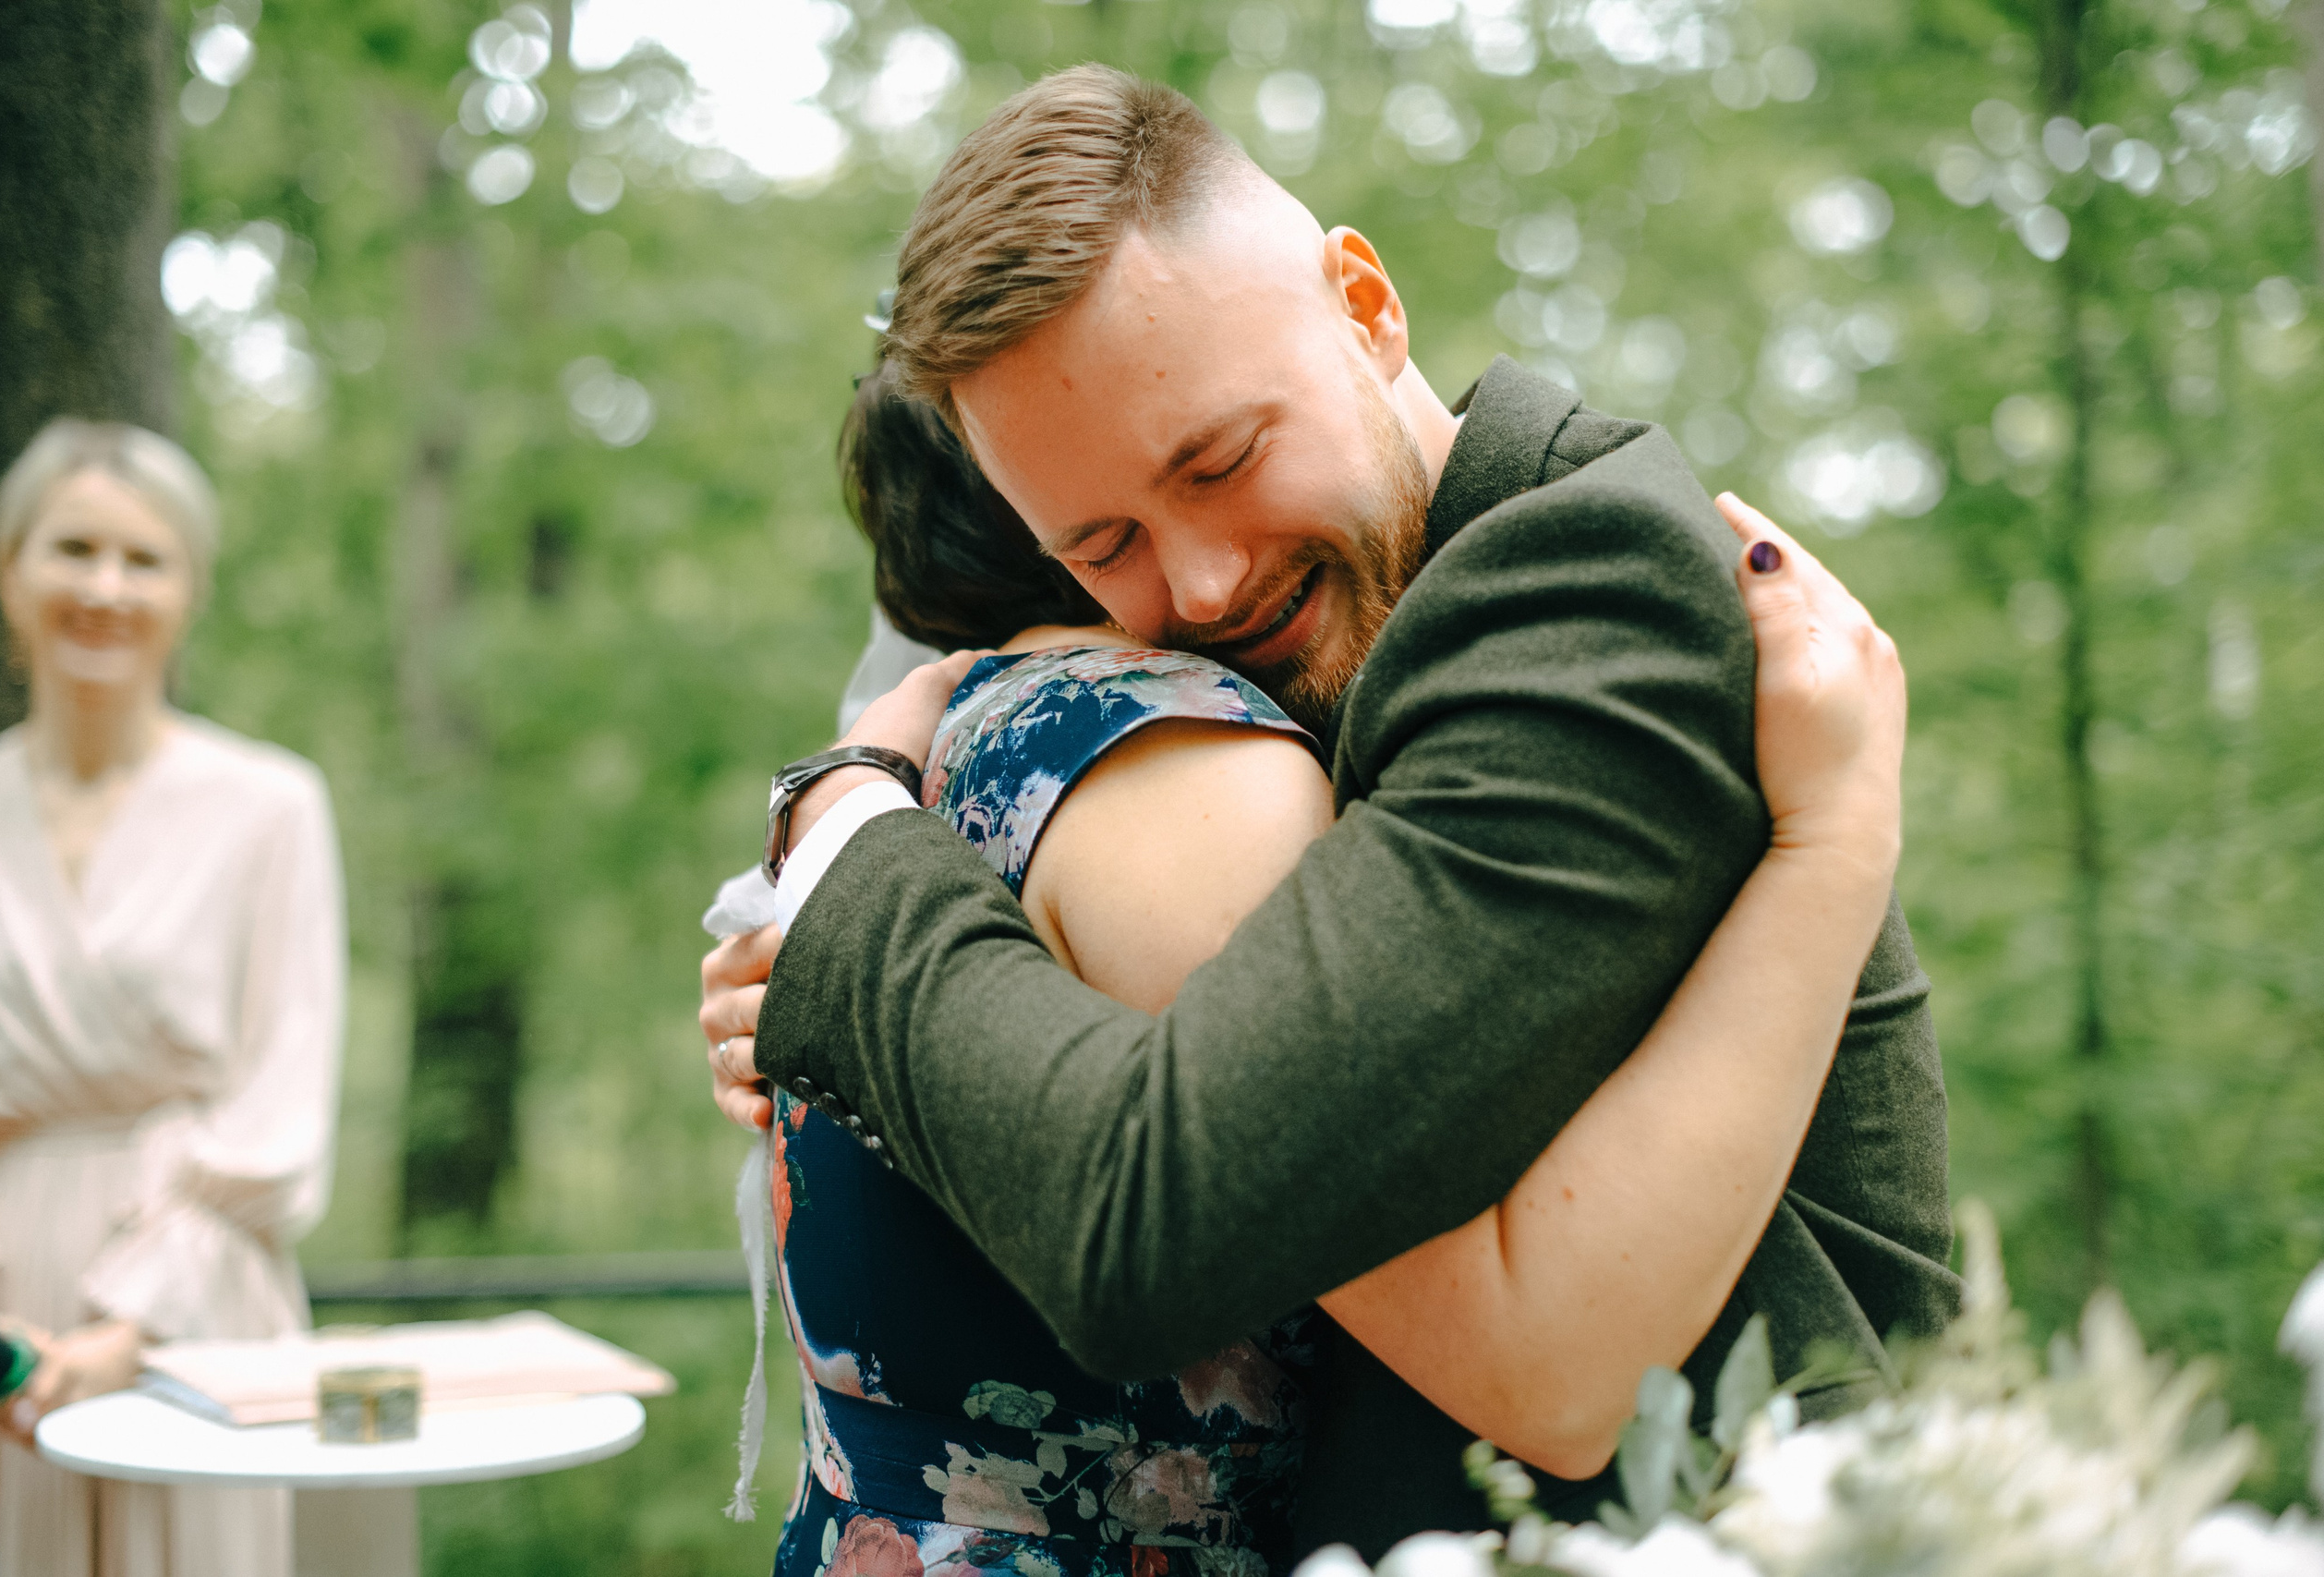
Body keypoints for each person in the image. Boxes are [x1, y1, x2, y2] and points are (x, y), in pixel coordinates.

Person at [707, 67, 1958, 1552]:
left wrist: (849, 843)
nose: (1206, 587)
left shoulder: (1590, 589)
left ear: (1367, 304)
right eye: (1103, 547)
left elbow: (1159, 1221)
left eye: (1222, 458)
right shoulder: (1323, 639)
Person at [0, 419, 345, 1577]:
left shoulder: (269, 808)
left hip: (199, 1311)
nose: (104, 588)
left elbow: (281, 1108)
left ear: (189, 590)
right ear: (9, 568)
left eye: (143, 559)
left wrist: (125, 1335)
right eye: (72, 549)